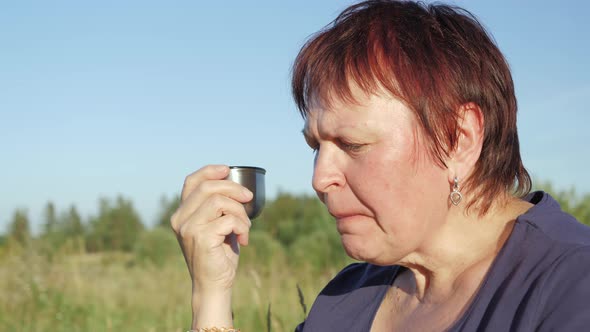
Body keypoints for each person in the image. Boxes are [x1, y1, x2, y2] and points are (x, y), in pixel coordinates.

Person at [170, 1, 590, 331]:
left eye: (353, 143)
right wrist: (211, 294)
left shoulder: (570, 287)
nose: (319, 178)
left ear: (459, 139)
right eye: (316, 145)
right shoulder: (346, 300)